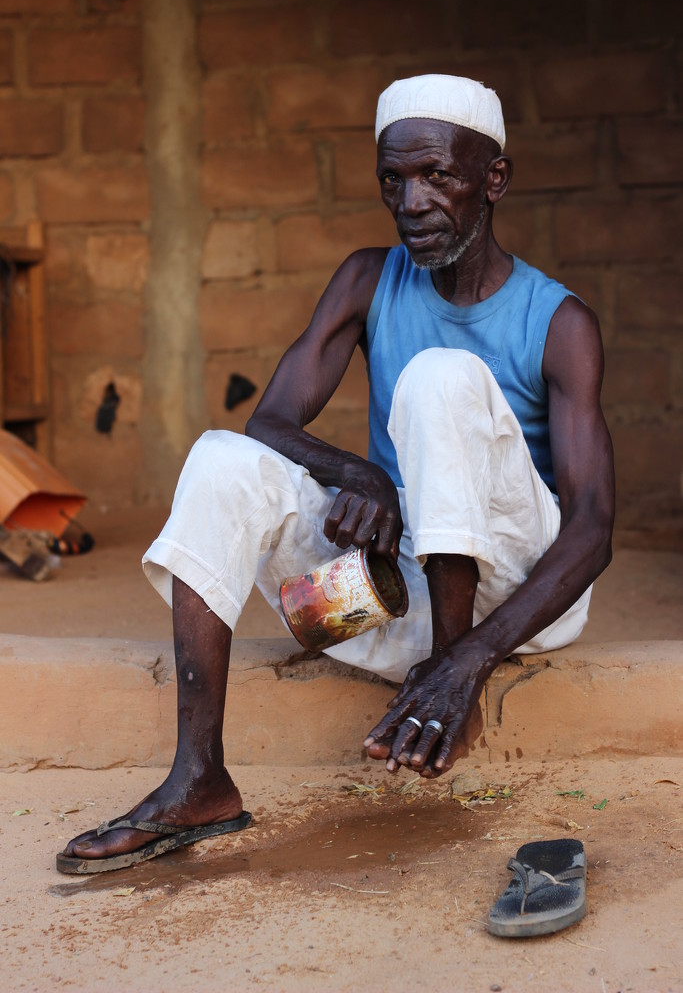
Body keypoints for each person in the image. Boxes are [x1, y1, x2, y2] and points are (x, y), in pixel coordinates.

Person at [58, 74, 615, 873]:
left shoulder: (558, 321)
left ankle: (446, 696)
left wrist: (468, 659)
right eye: (394, 180)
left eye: (438, 177)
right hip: (382, 612)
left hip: (511, 608)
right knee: (222, 456)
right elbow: (272, 420)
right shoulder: (367, 278)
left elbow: (593, 527)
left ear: (493, 180)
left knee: (436, 378)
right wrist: (363, 477)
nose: (412, 201)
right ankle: (199, 777)